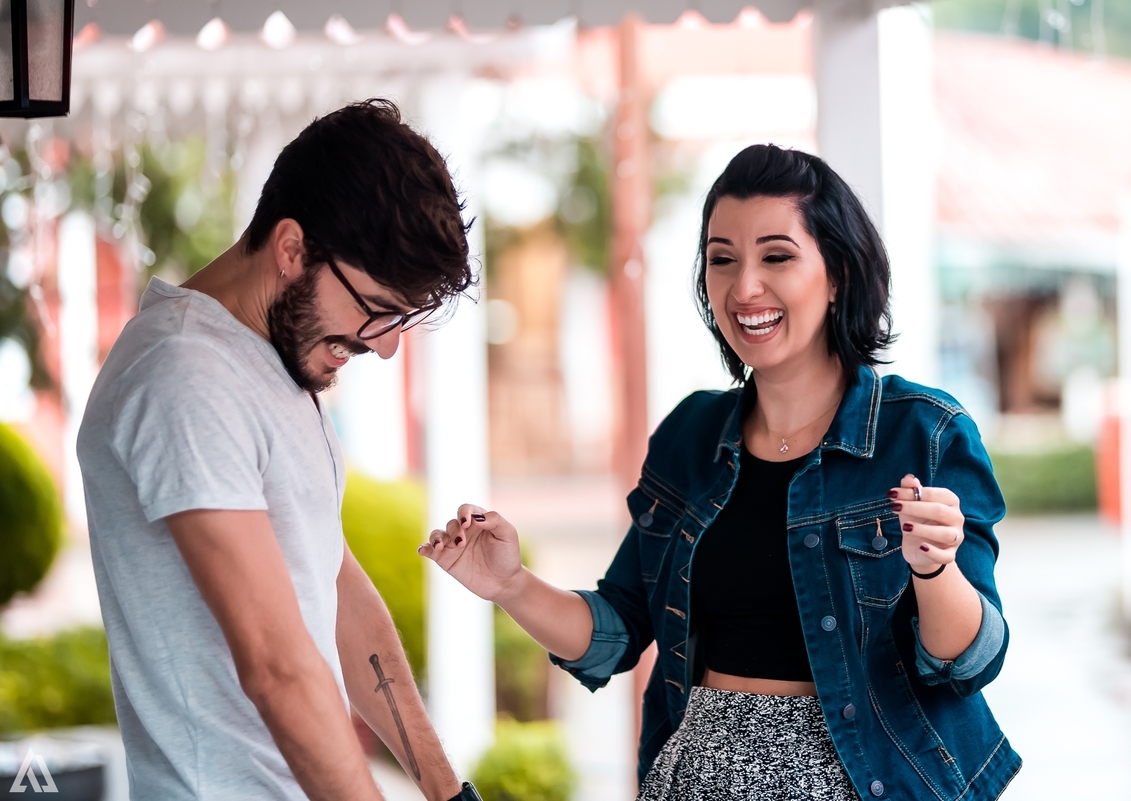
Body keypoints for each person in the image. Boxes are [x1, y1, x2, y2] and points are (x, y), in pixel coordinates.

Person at [421, 145, 1021, 800]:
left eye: (777, 256)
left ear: (840, 271)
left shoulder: (923, 433)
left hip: (862, 782)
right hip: (698, 777)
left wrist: (934, 568)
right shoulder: (691, 436)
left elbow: (969, 662)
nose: (744, 288)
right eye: (722, 259)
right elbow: (618, 631)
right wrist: (511, 584)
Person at [78, 100, 483, 801]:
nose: (385, 345)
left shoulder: (270, 364)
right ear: (292, 249)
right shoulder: (183, 374)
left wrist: (450, 795)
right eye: (376, 308)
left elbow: (335, 589)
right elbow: (276, 666)